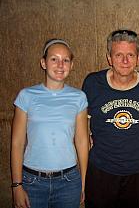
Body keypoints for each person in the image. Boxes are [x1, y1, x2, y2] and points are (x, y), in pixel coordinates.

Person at [82, 29, 139, 208]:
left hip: (135, 171)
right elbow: (82, 124)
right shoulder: (93, 83)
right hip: (100, 170)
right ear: (109, 58)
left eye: (130, 55)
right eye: (119, 55)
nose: (125, 61)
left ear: (138, 58)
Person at [11, 38, 89, 208]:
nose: (60, 65)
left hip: (68, 182)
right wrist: (17, 186)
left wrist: (83, 182)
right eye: (54, 59)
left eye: (65, 60)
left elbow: (82, 141)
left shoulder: (79, 97)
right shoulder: (26, 96)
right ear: (43, 63)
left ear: (71, 65)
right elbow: (17, 143)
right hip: (32, 182)